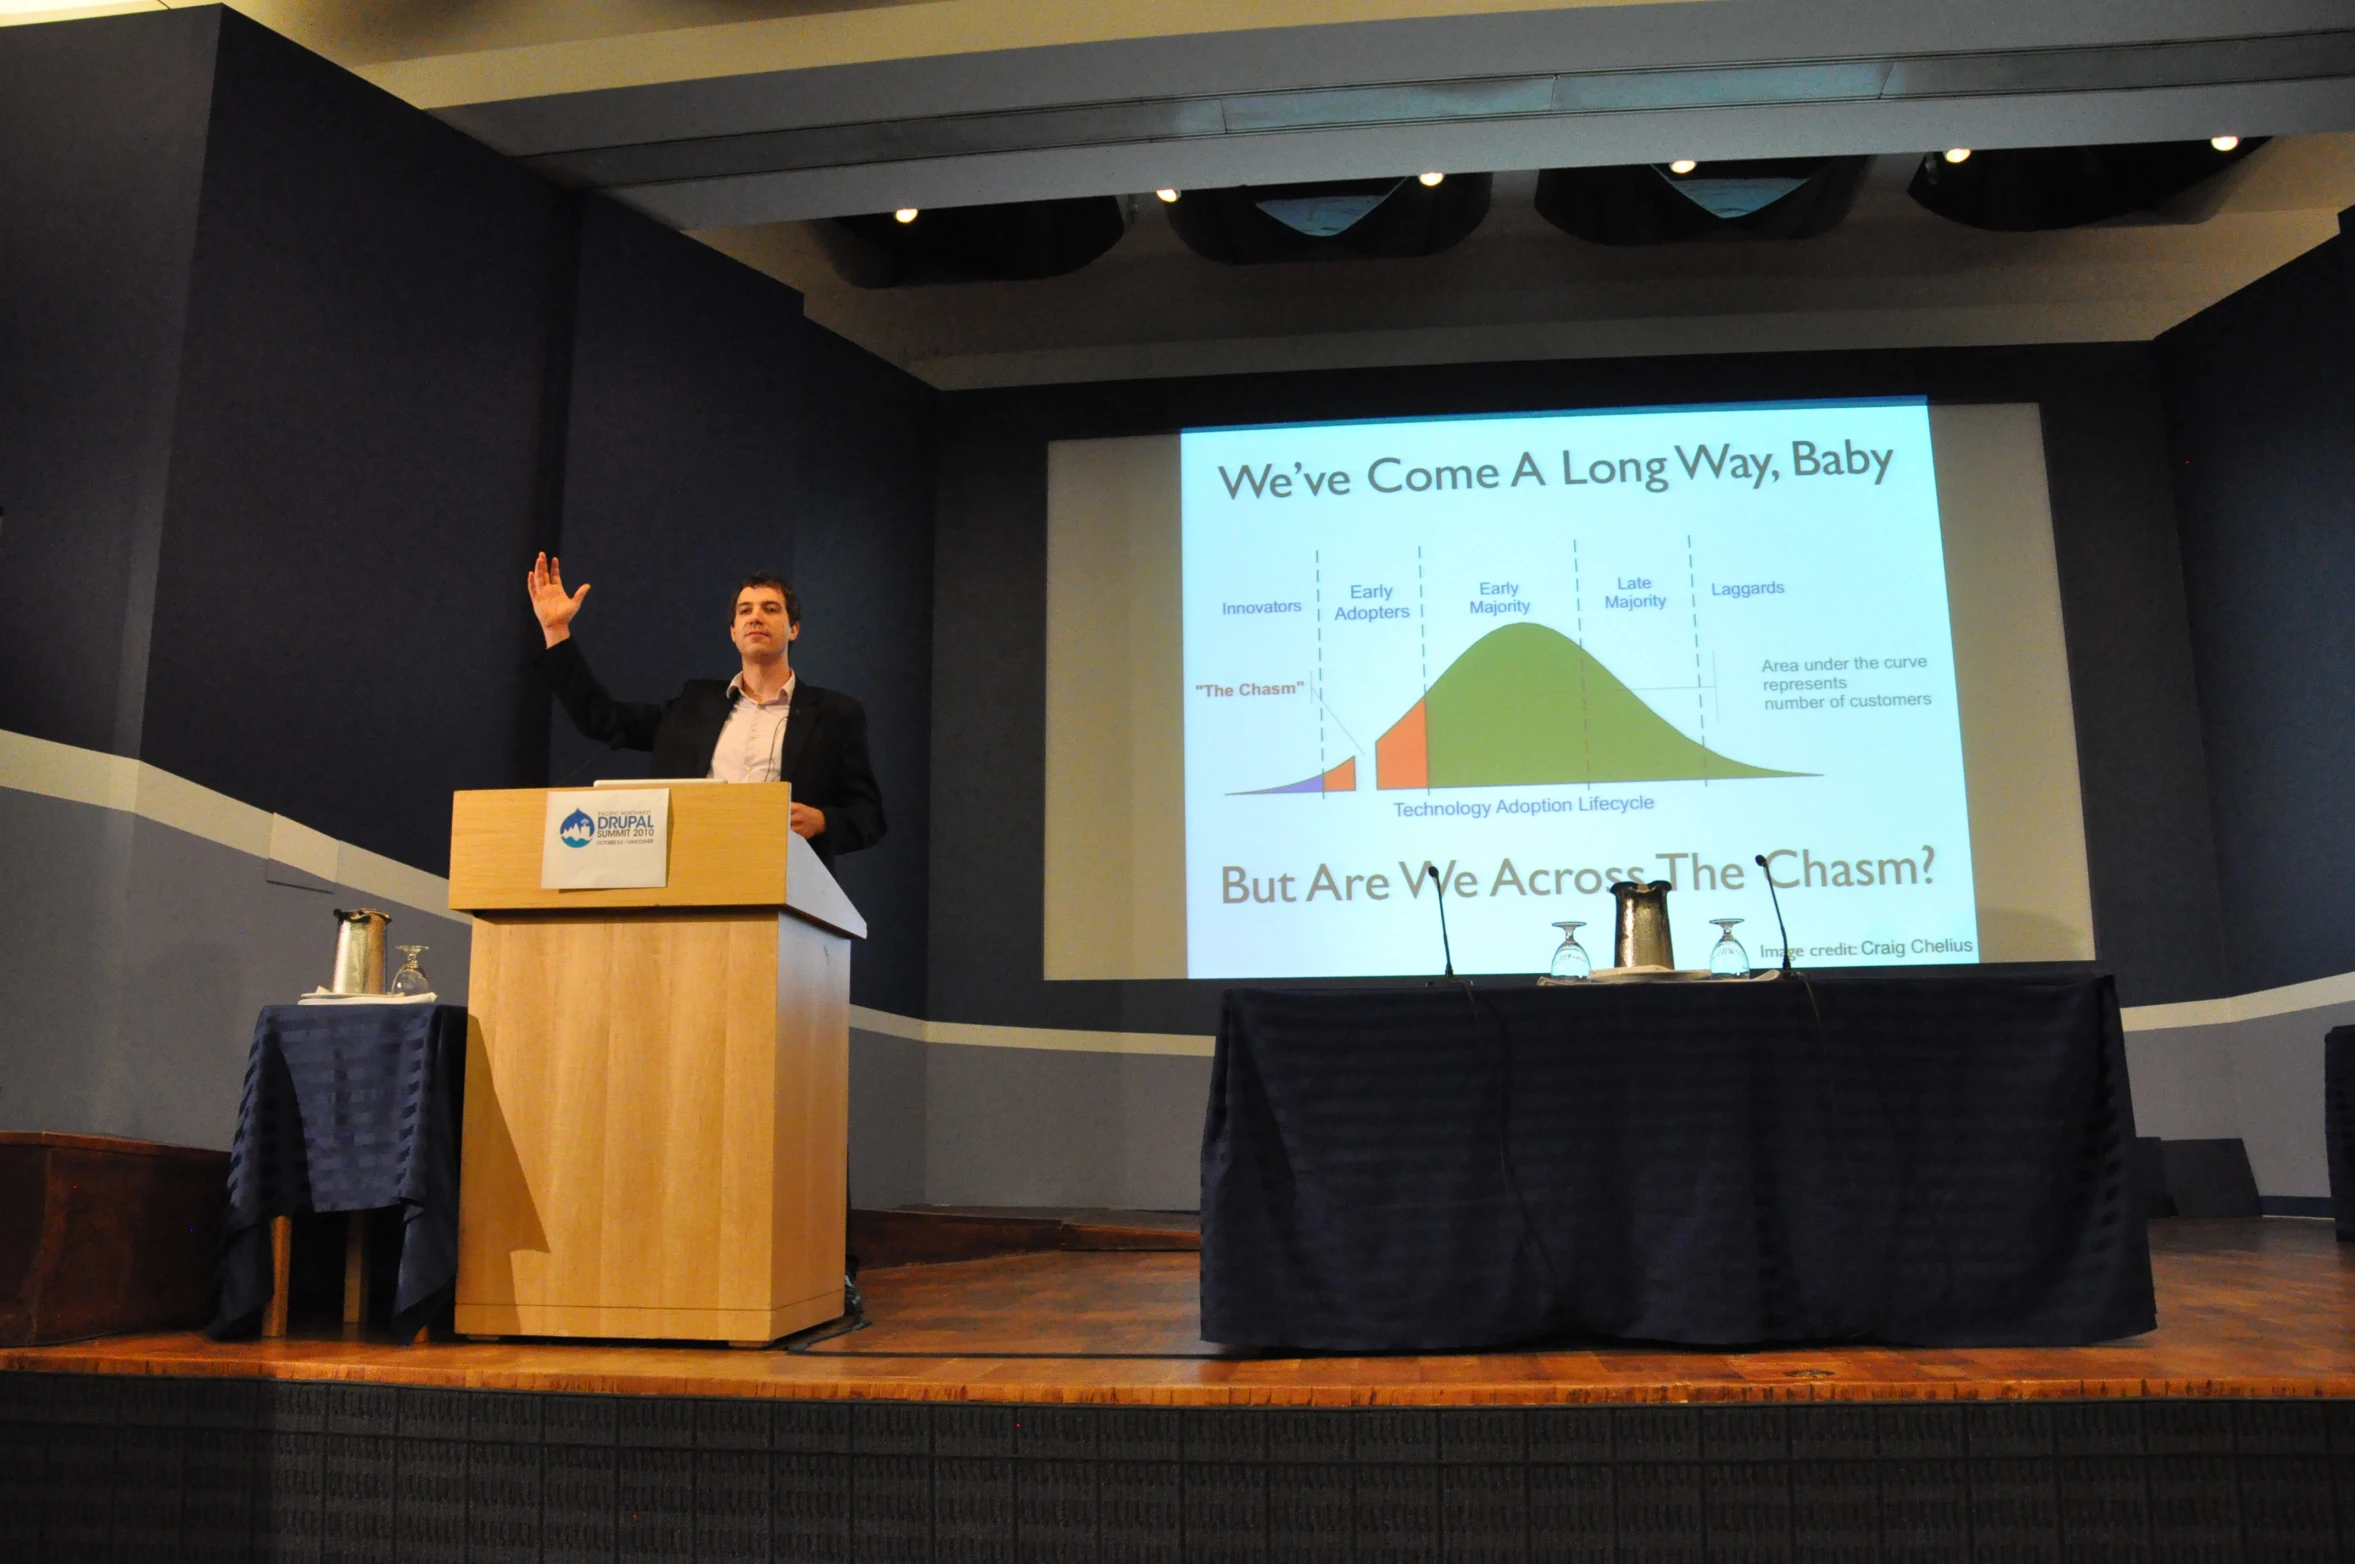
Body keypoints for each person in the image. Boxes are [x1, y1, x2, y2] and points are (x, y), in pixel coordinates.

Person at [526, 553, 885, 865]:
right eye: (745, 611)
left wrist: (822, 821)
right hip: (689, 873)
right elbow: (600, 718)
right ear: (733, 632)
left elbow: (869, 817)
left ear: (793, 629)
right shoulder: (694, 707)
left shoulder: (836, 714)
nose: (755, 618)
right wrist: (556, 630)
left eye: (770, 609)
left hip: (787, 883)